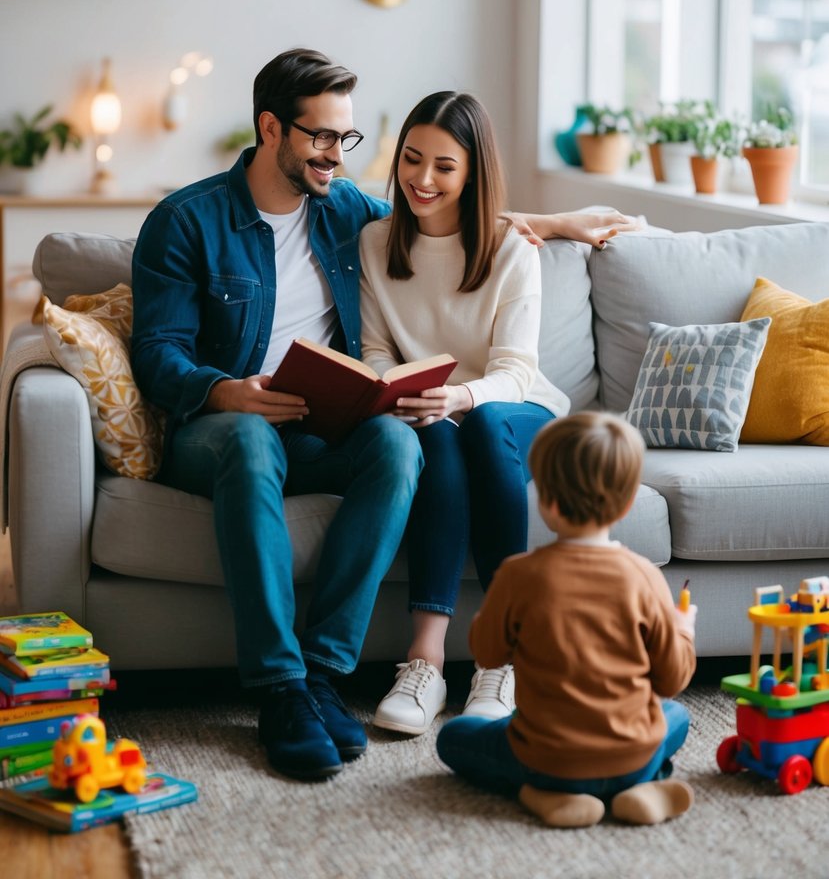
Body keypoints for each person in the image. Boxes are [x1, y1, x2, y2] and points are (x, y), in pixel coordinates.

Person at [131, 48, 640, 782]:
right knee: (248, 441)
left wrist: (557, 223)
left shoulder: (341, 209)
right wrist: (225, 389)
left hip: (317, 423)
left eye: (346, 139)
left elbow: (444, 211)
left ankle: (321, 676)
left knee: (399, 447)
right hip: (222, 427)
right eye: (321, 137)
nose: (337, 156)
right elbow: (157, 355)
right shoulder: (187, 221)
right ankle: (278, 689)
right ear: (271, 129)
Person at [359, 92, 566, 735]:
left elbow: (515, 371)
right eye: (412, 161)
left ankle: (499, 662)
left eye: (444, 167)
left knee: (470, 424)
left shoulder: (512, 249)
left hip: (514, 407)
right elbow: (374, 352)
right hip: (431, 412)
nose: (422, 180)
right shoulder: (374, 242)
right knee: (441, 442)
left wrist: (460, 396)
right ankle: (424, 664)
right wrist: (393, 392)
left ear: (473, 172)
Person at [436, 412, 697, 829]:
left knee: (455, 737)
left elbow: (487, 653)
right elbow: (671, 679)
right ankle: (643, 785)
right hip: (632, 755)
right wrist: (682, 630)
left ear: (545, 500)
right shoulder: (645, 576)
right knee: (675, 716)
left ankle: (540, 792)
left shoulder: (518, 575)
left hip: (546, 760)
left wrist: (496, 614)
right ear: (627, 503)